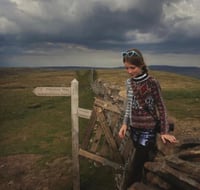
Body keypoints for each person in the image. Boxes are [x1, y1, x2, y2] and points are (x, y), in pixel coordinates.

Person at [118, 48, 177, 186]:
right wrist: (125, 124)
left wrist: (164, 131)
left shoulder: (152, 83)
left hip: (148, 131)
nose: (129, 72)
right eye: (126, 68)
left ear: (141, 65)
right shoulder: (129, 83)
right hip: (134, 129)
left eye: (132, 68)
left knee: (135, 167)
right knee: (141, 165)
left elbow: (161, 107)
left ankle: (131, 186)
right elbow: (129, 106)